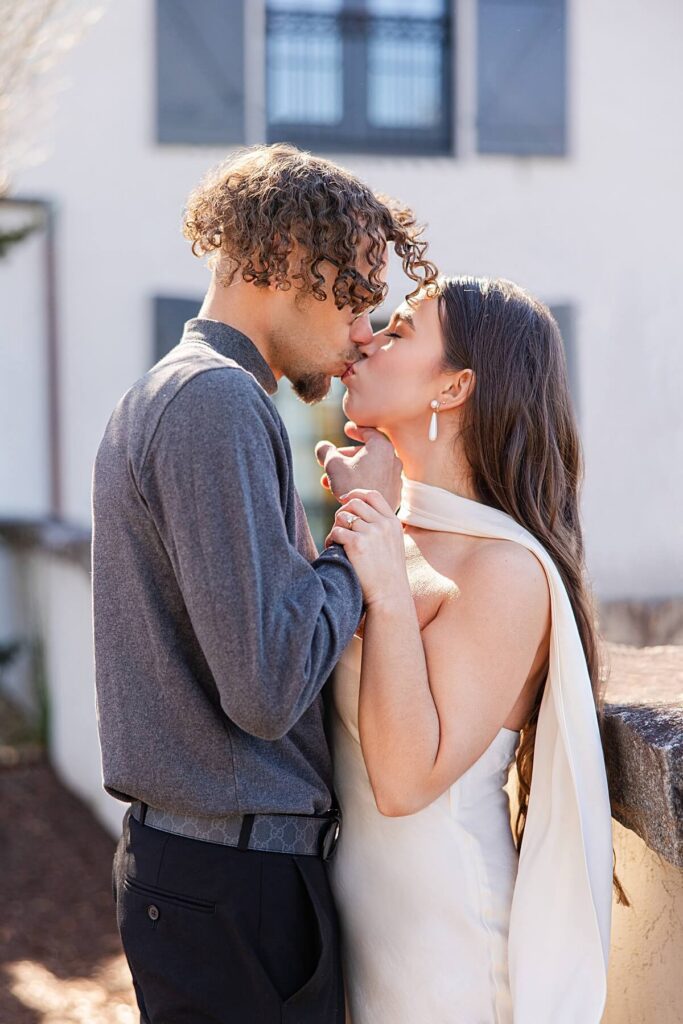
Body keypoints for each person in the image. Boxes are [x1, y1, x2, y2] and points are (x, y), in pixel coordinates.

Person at [91, 143, 437, 1023]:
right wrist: (358, 538)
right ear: (282, 260)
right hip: (233, 886)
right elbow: (267, 684)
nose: (365, 329)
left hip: (208, 878)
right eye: (357, 297)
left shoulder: (181, 392)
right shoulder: (215, 401)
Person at [319, 276, 621, 1023]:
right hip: (348, 930)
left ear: (451, 388)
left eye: (398, 332)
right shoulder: (396, 533)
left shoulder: (506, 570)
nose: (366, 339)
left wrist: (385, 578)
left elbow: (403, 780)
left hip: (441, 952)